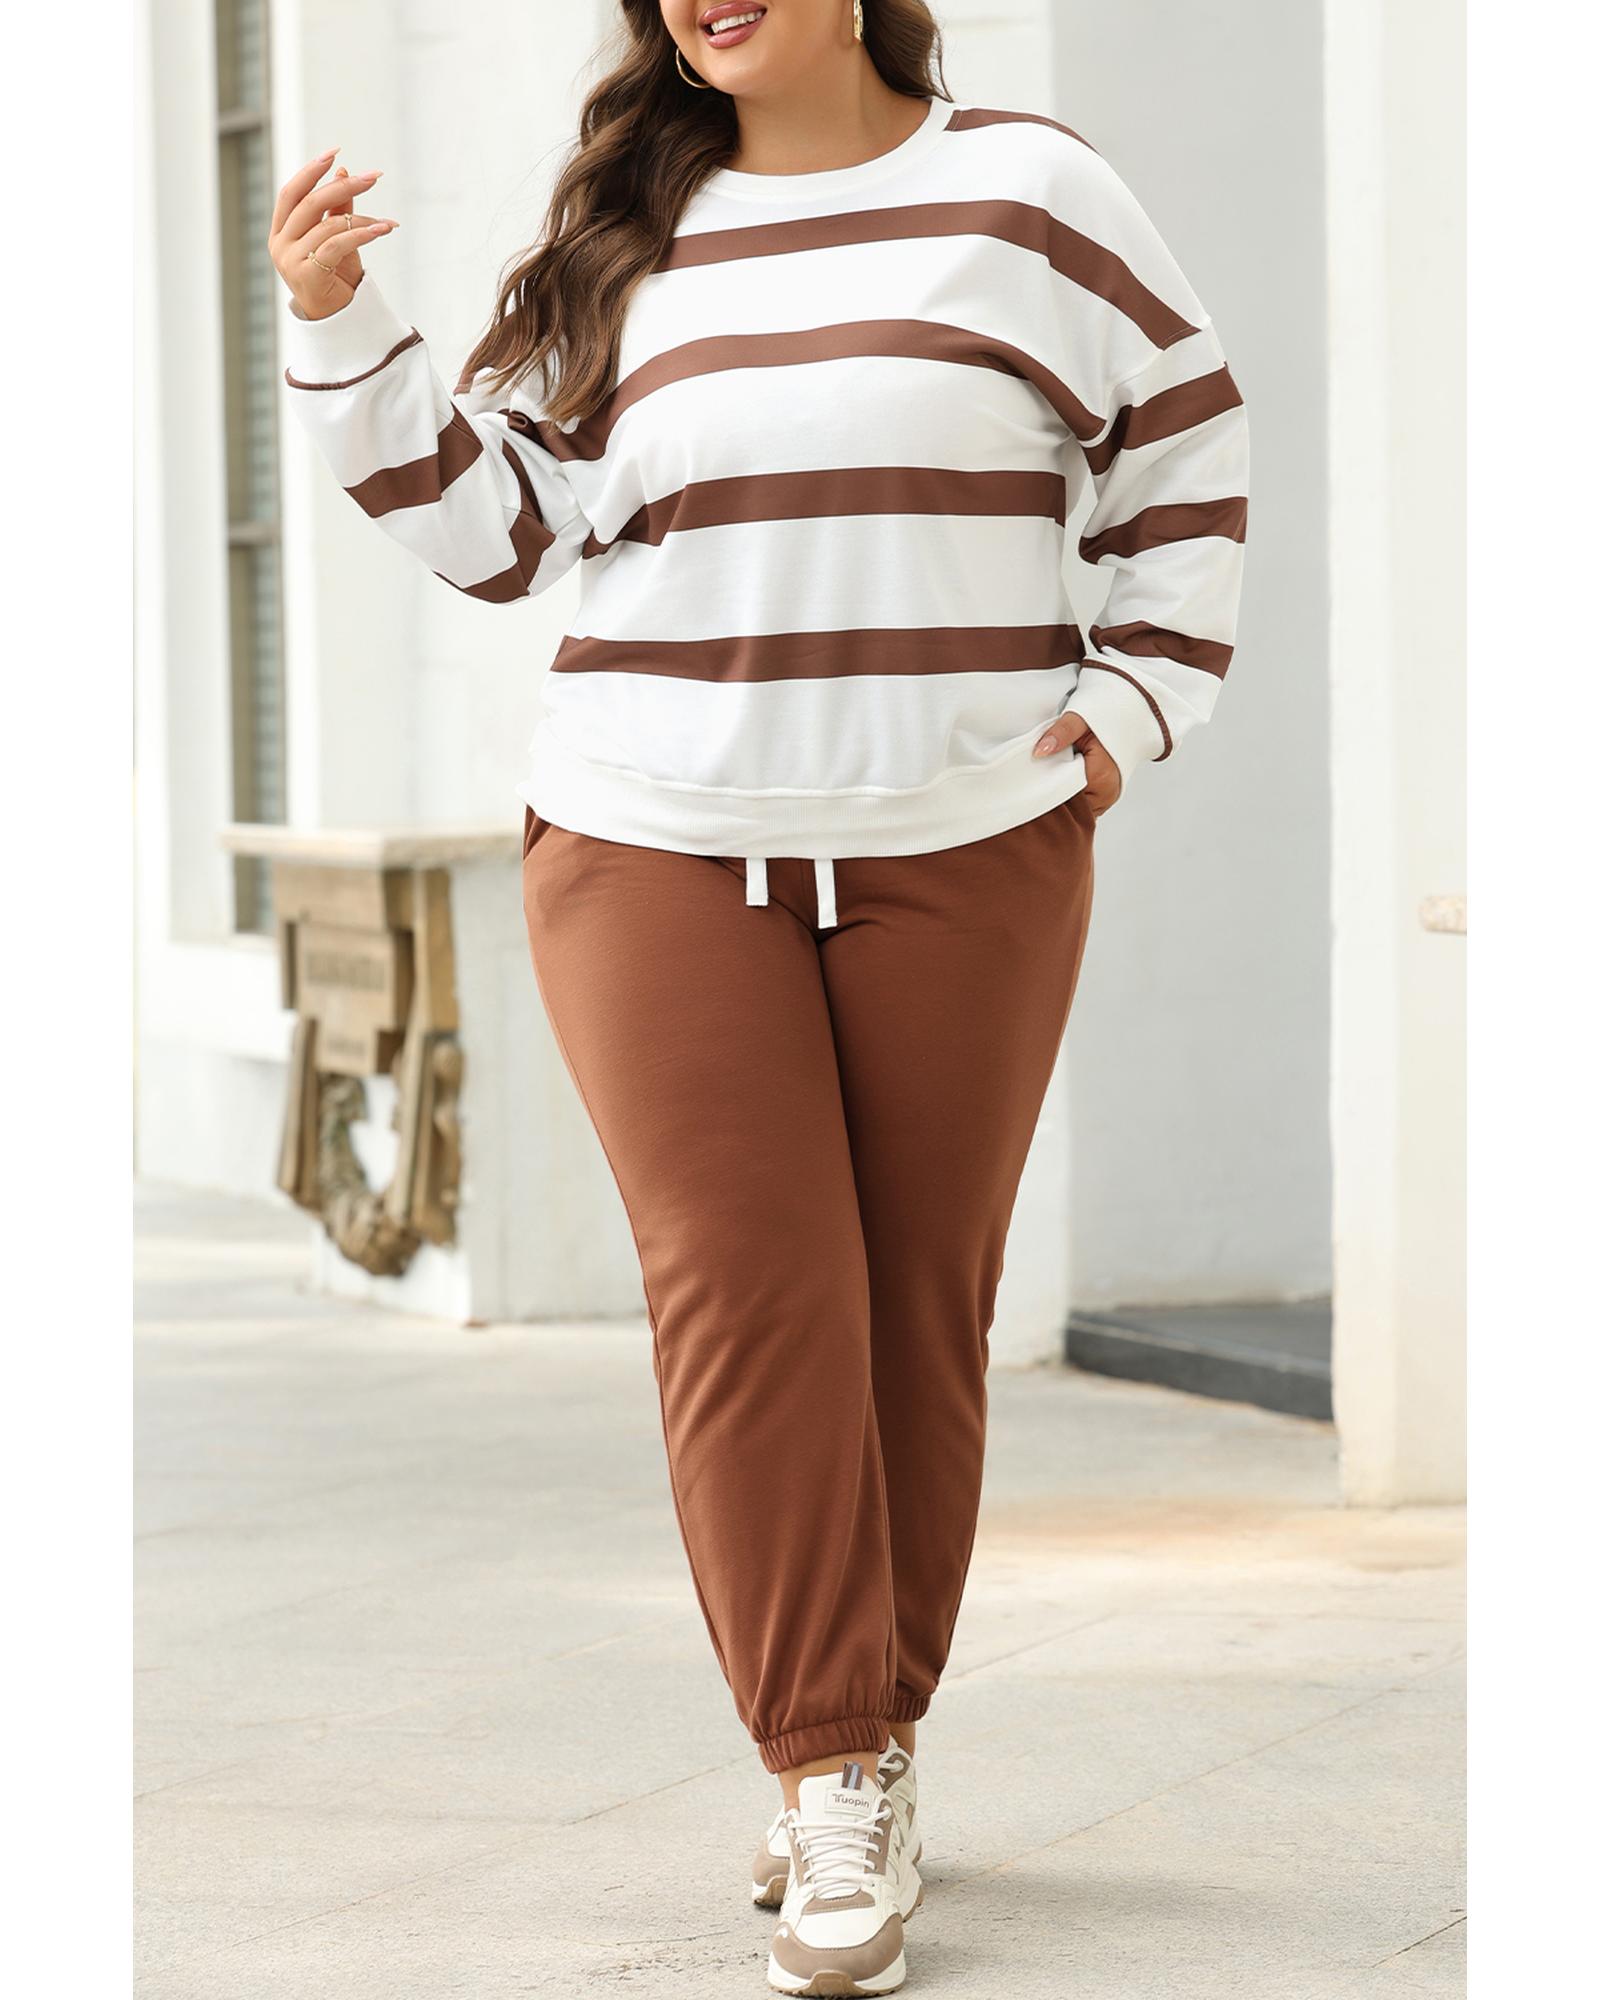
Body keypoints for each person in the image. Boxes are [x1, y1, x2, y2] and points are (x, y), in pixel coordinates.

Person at [268, 2, 1248, 1990]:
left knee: (915, 1306)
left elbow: (1185, 446)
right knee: (743, 1281)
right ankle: (825, 1763)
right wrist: (337, 322)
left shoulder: (1030, 196)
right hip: (648, 834)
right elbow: (494, 536)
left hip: (963, 841)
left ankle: (873, 1736)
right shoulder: (627, 230)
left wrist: (1133, 705)